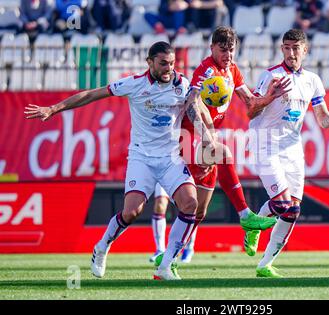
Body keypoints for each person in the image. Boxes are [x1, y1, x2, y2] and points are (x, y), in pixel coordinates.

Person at [24, 41, 214, 281]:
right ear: (150, 63)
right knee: (132, 212)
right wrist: (54, 108)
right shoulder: (134, 84)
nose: (169, 69)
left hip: (170, 159)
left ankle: (166, 265)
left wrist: (208, 137)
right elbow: (92, 94)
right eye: (163, 63)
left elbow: (194, 109)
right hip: (141, 158)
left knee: (190, 204)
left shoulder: (182, 84)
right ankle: (102, 247)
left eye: (172, 63)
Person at [153, 26, 290, 270]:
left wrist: (269, 97)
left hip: (206, 139)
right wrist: (205, 137)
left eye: (231, 50)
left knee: (198, 212)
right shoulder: (206, 70)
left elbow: (250, 105)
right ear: (212, 48)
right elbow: (193, 102)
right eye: (223, 50)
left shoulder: (233, 71)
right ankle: (246, 216)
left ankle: (169, 260)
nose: (227, 55)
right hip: (189, 138)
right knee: (223, 153)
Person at [244, 29, 329, 278]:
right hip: (266, 143)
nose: (291, 53)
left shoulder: (313, 80)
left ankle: (264, 265)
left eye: (295, 48)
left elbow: (322, 119)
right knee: (281, 203)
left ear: (304, 50)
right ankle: (254, 225)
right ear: (282, 49)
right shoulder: (271, 76)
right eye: (286, 47)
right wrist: (269, 98)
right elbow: (250, 112)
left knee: (293, 211)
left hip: (292, 148)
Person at [149, 183, 197, 263]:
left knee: (188, 206)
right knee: (160, 205)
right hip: (163, 172)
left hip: (184, 174)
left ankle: (188, 248)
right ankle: (160, 249)